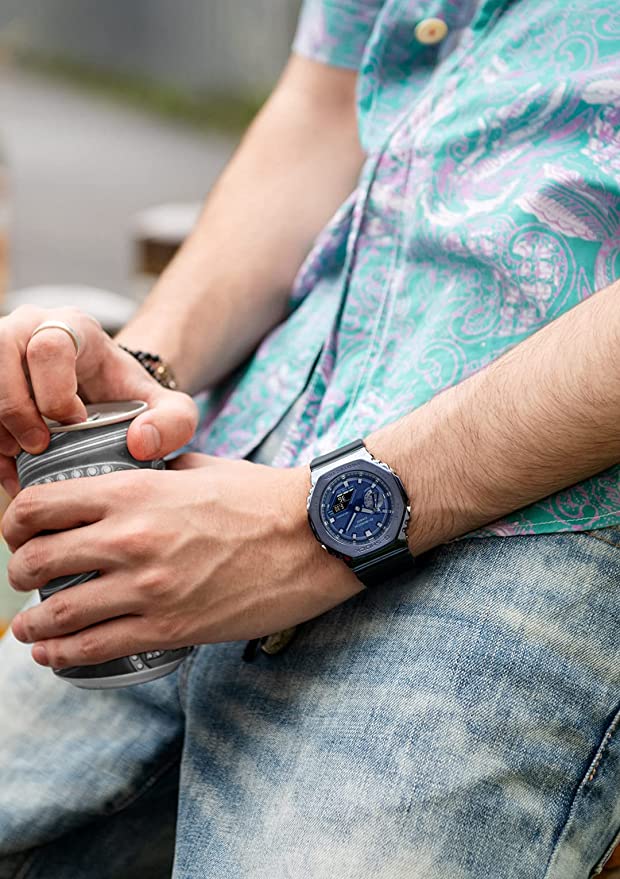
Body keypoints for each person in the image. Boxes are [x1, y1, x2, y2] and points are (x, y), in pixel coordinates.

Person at [1, 0, 619, 876]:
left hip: (547, 510)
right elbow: (325, 110)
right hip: (238, 451)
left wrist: (313, 526)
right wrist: (135, 373)